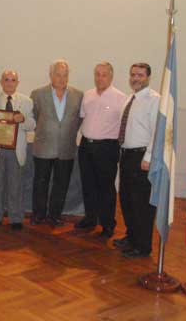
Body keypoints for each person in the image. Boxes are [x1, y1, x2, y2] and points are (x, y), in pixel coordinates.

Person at [76, 62, 126, 238]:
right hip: (86, 145)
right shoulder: (88, 95)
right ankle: (90, 218)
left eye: (104, 74)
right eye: (97, 74)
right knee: (88, 184)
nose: (100, 78)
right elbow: (83, 117)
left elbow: (124, 126)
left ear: (111, 77)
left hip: (107, 147)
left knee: (106, 187)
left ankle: (107, 224)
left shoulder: (121, 98)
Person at [30, 60, 83, 227]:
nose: (61, 78)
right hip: (43, 146)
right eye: (58, 74)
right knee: (41, 182)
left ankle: (55, 215)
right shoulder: (37, 94)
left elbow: (79, 119)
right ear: (51, 75)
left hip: (66, 148)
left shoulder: (78, 95)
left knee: (61, 184)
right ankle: (39, 214)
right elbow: (35, 116)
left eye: (65, 75)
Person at [115, 63, 160, 258]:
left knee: (141, 204)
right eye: (133, 74)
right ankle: (131, 237)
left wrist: (148, 157)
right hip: (126, 155)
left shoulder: (154, 100)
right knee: (126, 200)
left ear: (148, 77)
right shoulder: (129, 99)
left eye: (140, 75)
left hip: (141, 158)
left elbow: (156, 131)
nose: (135, 78)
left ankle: (142, 246)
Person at [0, 70, 36, 230]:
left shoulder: (26, 102)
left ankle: (16, 218)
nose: (10, 83)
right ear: (1, 81)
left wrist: (23, 119)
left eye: (13, 80)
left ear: (17, 82)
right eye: (7, 80)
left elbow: (32, 124)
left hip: (16, 149)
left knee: (15, 185)